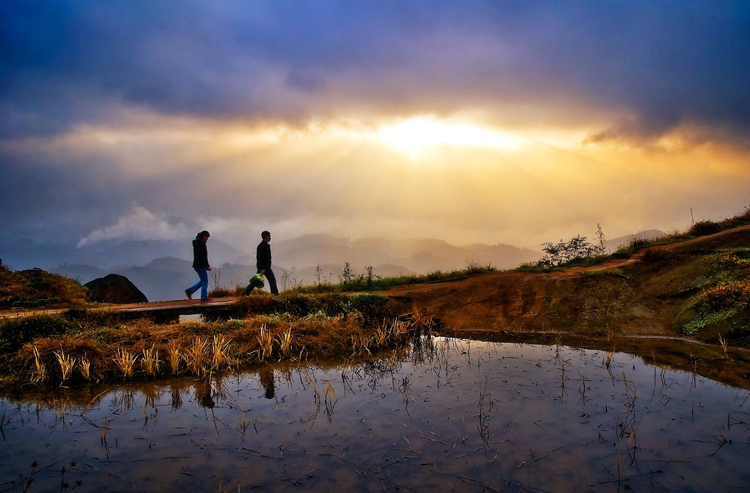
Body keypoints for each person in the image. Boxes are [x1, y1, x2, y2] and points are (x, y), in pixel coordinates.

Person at [244, 230, 279, 295]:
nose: (270, 238)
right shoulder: (263, 246)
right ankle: (275, 294)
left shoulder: (262, 245)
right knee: (272, 281)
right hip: (265, 268)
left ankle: (246, 292)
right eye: (269, 236)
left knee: (256, 281)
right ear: (266, 237)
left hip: (264, 267)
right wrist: (262, 268)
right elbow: (260, 258)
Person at [185, 230, 212, 302]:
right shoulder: (202, 244)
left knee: (203, 280)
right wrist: (207, 266)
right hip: (201, 265)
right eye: (207, 237)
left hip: (196, 265)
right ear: (204, 237)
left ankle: (190, 291)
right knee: (205, 281)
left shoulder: (196, 243)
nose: (207, 239)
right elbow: (204, 256)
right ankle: (204, 297)